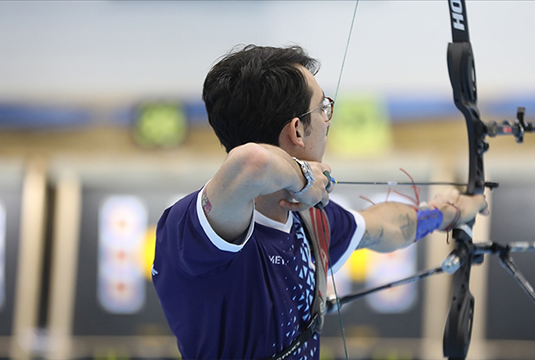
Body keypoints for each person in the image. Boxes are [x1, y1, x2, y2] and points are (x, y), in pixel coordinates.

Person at [152, 45, 487, 360]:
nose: (328, 120)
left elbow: (383, 227)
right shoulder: (193, 230)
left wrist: (446, 213)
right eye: (323, 108)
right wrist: (305, 178)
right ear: (297, 131)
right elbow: (252, 162)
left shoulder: (310, 222)